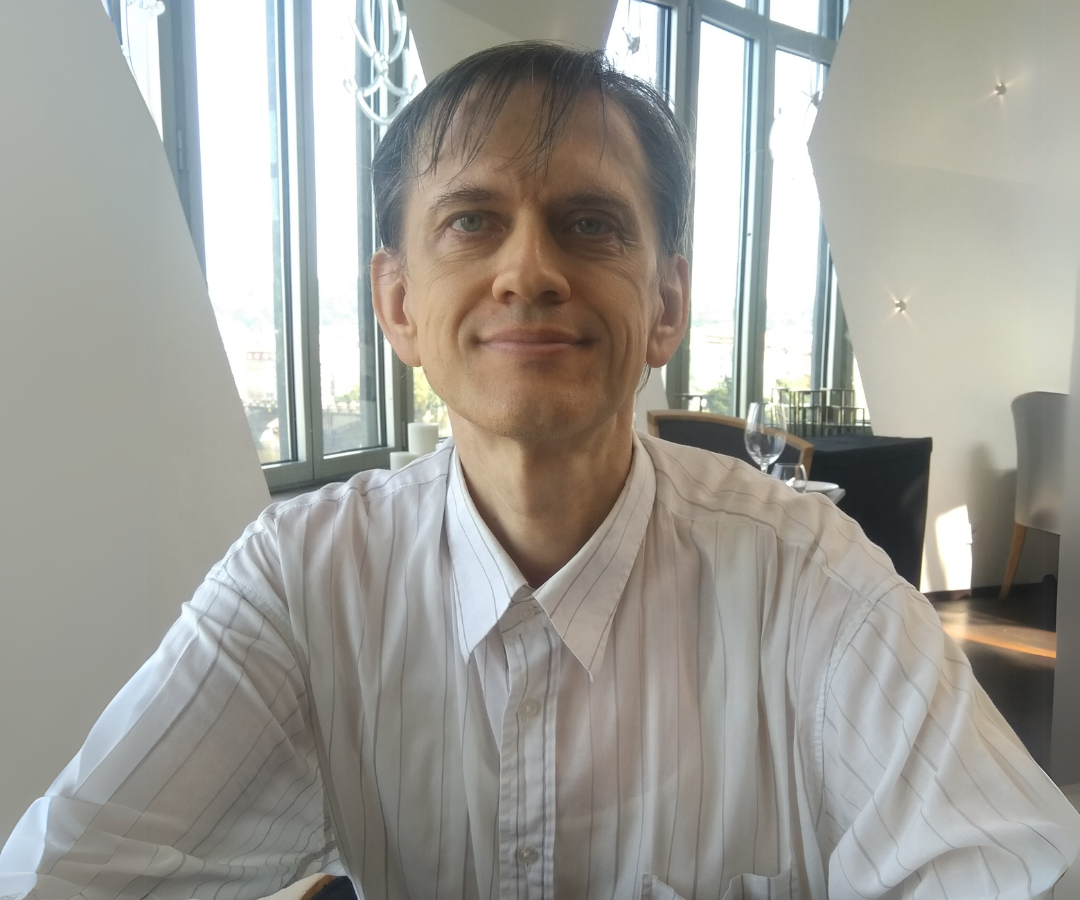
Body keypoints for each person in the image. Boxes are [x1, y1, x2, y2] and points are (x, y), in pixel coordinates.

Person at [1, 41, 1078, 900]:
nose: (527, 270)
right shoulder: (304, 578)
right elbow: (61, 873)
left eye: (589, 224)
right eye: (472, 222)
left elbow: (1015, 868)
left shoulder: (808, 582)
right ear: (398, 305)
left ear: (666, 305)